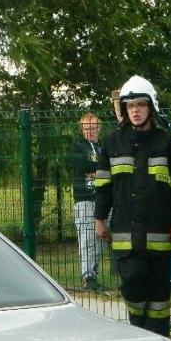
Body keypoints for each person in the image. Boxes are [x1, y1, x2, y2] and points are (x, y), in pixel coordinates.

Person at [94, 76, 171, 336]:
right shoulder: (112, 142)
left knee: (159, 298)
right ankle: (138, 333)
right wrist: (99, 218)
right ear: (125, 109)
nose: (135, 110)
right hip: (126, 235)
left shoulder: (165, 142)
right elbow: (103, 186)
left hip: (159, 234)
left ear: (151, 107)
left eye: (141, 105)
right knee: (134, 283)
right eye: (130, 105)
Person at [69, 112, 104, 290]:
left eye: (93, 127)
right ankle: (87, 276)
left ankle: (94, 274)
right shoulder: (77, 147)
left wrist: (96, 171)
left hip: (103, 199)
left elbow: (110, 165)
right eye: (86, 127)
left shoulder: (104, 147)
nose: (90, 130)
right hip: (85, 198)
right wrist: (102, 171)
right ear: (82, 129)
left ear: (99, 128)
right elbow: (79, 165)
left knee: (101, 238)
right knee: (87, 238)